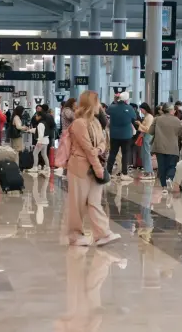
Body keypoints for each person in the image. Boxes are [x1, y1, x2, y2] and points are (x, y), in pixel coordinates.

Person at [67, 90, 121, 246]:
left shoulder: (96, 122)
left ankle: (103, 233)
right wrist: (98, 166)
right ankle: (75, 234)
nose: (100, 105)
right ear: (92, 104)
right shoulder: (78, 123)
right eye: (97, 102)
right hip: (79, 168)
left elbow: (103, 143)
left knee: (95, 202)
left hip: (95, 165)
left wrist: (98, 150)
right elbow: (87, 148)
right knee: (77, 204)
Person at [148, 103, 182, 191]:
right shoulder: (177, 120)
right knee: (172, 166)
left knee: (162, 167)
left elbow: (150, 131)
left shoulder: (157, 119)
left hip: (159, 147)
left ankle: (164, 186)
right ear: (171, 110)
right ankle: (170, 178)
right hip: (173, 148)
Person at [106, 91, 136, 182]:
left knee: (112, 153)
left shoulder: (112, 107)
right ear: (127, 100)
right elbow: (133, 117)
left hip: (114, 134)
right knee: (125, 154)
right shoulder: (129, 108)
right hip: (126, 135)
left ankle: (108, 172)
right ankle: (124, 173)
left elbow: (107, 112)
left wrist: (115, 101)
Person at [135, 102, 155, 180]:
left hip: (148, 136)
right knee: (144, 153)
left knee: (146, 154)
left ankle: (149, 172)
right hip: (146, 136)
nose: (141, 111)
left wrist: (140, 124)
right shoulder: (147, 116)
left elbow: (147, 128)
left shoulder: (149, 117)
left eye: (142, 109)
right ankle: (147, 170)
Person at [28, 111, 51, 177]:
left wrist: (39, 142)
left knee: (35, 153)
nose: (36, 116)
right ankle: (47, 167)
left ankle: (35, 167)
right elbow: (37, 130)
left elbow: (40, 134)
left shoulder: (40, 124)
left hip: (42, 141)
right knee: (44, 154)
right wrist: (30, 130)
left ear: (40, 117)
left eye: (37, 115)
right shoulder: (45, 123)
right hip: (46, 141)